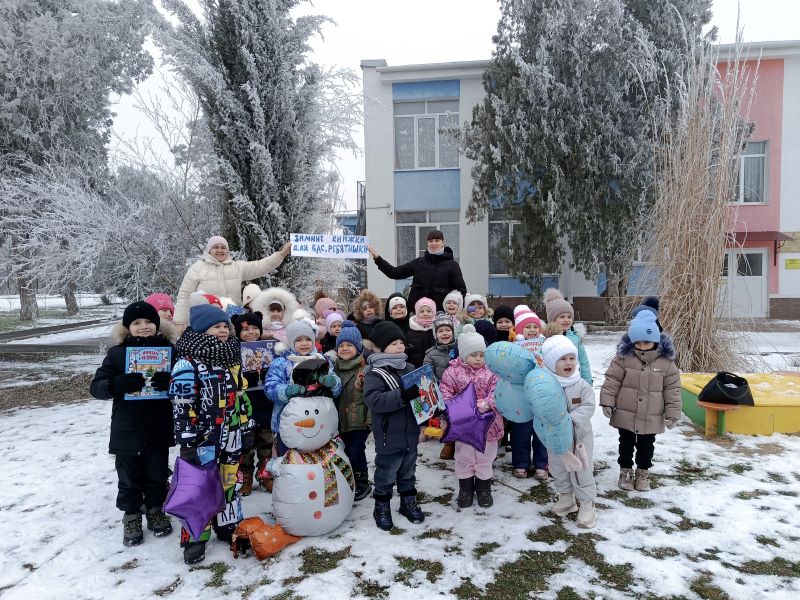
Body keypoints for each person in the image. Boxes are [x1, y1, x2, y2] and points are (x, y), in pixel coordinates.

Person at [169, 303, 252, 564]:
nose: (223, 330)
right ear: (202, 329)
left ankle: (228, 523)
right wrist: (187, 440)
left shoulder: (231, 357)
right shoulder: (187, 362)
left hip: (231, 434)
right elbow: (182, 405)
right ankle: (196, 535)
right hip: (202, 438)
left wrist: (245, 425)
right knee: (200, 486)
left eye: (225, 326)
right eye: (216, 326)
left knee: (230, 480)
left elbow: (241, 396)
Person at [90, 301, 176, 547]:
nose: (144, 326)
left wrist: (171, 382)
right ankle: (131, 516)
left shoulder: (170, 351)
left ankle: (155, 509)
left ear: (158, 325)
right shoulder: (117, 353)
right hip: (127, 428)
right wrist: (115, 385)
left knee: (157, 472)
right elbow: (96, 387)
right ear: (127, 327)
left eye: (149, 322)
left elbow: (186, 382)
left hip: (158, 425)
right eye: (137, 323)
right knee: (128, 475)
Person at [599, 310, 681, 492]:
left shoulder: (666, 363)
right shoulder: (623, 358)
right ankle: (626, 472)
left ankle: (643, 473)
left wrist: (673, 413)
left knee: (646, 446)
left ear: (656, 341)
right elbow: (612, 380)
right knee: (625, 444)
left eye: (646, 342)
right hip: (626, 411)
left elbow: (672, 390)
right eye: (637, 343)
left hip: (651, 414)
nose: (642, 347)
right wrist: (607, 401)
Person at [363, 321, 425, 530]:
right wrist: (403, 395)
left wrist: (428, 400)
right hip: (389, 435)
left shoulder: (410, 368)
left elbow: (420, 398)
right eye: (393, 343)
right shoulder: (375, 372)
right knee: (386, 473)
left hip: (410, 433)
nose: (399, 346)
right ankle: (381, 505)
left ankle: (408, 502)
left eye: (401, 342)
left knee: (408, 471)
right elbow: (374, 400)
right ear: (380, 348)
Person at [439, 324, 502, 509]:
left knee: (485, 456)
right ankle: (465, 489)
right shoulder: (453, 371)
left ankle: (484, 489)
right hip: (464, 424)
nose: (478, 358)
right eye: (473, 355)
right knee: (464, 455)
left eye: (481, 354)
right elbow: (445, 390)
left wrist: (486, 404)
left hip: (488, 424)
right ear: (463, 354)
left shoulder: (491, 371)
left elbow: (498, 391)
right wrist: (455, 408)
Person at [540, 332, 597, 529]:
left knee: (582, 469)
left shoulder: (581, 385)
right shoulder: (546, 385)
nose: (568, 362)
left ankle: (587, 503)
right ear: (550, 362)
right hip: (556, 439)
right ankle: (566, 497)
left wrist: (570, 419)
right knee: (558, 467)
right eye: (562, 359)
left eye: (572, 358)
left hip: (579, 438)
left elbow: (588, 406)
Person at [173, 235, 291, 327]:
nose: (220, 250)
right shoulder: (197, 268)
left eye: (223, 247)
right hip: (206, 322)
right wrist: (179, 322)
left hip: (232, 322)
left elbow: (260, 266)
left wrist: (281, 254)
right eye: (216, 247)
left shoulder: (236, 267)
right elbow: (184, 296)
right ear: (209, 250)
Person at [265, 319, 341, 454]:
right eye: (299, 340)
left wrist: (332, 382)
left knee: (317, 459)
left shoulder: (322, 361)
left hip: (320, 420)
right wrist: (287, 390)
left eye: (308, 339)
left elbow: (336, 390)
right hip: (290, 423)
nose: (304, 343)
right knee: (289, 459)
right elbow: (270, 387)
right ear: (291, 342)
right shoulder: (282, 363)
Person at [368, 230, 466, 312]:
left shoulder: (452, 265)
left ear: (443, 242)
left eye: (437, 240)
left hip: (440, 315)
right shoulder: (419, 262)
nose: (434, 243)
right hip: (416, 314)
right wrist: (377, 258)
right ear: (427, 243)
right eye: (431, 241)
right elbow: (394, 273)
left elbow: (460, 292)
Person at [231, 312, 273, 495]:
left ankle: (266, 473)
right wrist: (244, 378)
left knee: (266, 441)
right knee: (245, 443)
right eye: (245, 329)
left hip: (265, 403)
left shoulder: (269, 348)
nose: (251, 332)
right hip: (244, 406)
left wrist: (268, 374)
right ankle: (245, 475)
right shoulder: (233, 351)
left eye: (255, 328)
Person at [332, 322, 373, 501]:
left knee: (356, 451)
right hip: (340, 420)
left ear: (358, 348)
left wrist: (370, 421)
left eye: (349, 345)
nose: (345, 348)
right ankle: (348, 480)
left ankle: (362, 482)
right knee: (344, 452)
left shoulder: (365, 369)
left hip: (359, 421)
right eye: (341, 345)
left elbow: (370, 397)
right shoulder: (334, 369)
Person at [510, 305, 549, 480]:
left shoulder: (546, 346)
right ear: (520, 330)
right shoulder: (514, 347)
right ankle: (520, 463)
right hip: (520, 397)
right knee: (521, 432)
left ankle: (541, 463)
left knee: (541, 431)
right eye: (528, 327)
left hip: (541, 395)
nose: (532, 330)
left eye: (535, 326)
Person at [543, 288, 592, 385]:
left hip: (575, 382)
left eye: (569, 317)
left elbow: (584, 362)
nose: (566, 320)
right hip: (554, 383)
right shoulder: (547, 339)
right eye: (562, 317)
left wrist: (587, 382)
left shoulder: (575, 339)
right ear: (552, 319)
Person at [406, 297, 436, 368]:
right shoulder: (410, 333)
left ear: (434, 312)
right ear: (417, 313)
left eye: (429, 311)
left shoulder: (437, 330)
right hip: (416, 369)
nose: (425, 314)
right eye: (422, 311)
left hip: (434, 368)